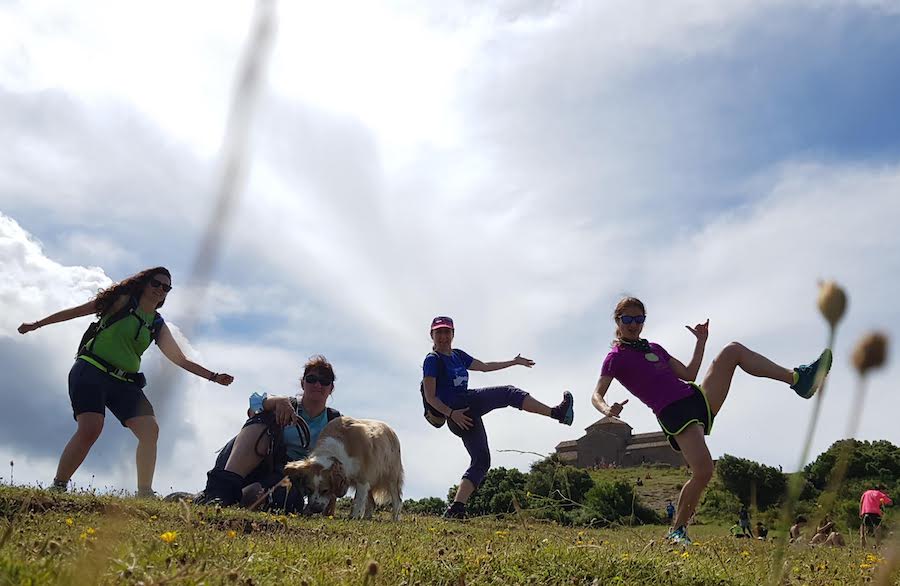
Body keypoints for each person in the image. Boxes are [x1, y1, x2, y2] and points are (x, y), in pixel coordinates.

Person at [590, 297, 832, 545]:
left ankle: (798, 380)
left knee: (733, 350)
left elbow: (689, 373)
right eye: (628, 319)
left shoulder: (655, 348)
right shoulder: (615, 358)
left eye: (639, 319)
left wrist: (700, 342)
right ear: (618, 321)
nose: (633, 324)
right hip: (674, 413)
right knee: (704, 471)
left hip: (694, 398)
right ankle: (677, 531)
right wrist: (607, 409)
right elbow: (596, 394)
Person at [18, 267, 234, 497]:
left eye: (166, 287)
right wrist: (37, 324)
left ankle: (144, 492)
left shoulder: (156, 324)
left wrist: (213, 376)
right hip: (91, 370)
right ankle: (58, 486)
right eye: (156, 284)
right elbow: (78, 311)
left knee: (150, 431)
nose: (161, 290)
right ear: (144, 283)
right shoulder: (121, 302)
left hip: (124, 382)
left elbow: (179, 358)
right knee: (91, 428)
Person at [421, 316, 574, 519]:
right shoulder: (432, 360)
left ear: (453, 334)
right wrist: (451, 413)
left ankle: (456, 509)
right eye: (438, 332)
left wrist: (513, 362)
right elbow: (431, 397)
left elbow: (484, 366)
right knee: (508, 393)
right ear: (431, 335)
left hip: (467, 413)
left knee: (482, 461)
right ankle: (557, 413)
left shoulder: (457, 355)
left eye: (446, 332)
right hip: (458, 410)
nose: (443, 336)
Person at [196, 355, 341, 511]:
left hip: (286, 478)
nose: (318, 384)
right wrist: (276, 401)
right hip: (257, 465)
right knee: (263, 420)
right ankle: (220, 491)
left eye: (324, 381)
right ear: (302, 383)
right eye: (311, 379)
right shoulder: (287, 405)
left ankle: (237, 498)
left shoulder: (335, 421)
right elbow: (253, 407)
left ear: (331, 387)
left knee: (287, 499)